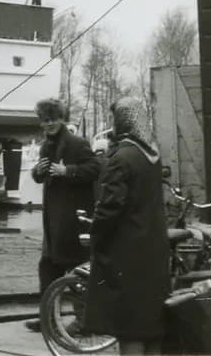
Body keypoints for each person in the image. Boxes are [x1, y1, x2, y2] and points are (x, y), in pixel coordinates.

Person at [84, 97, 170, 354]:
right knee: (152, 326)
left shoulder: (122, 158)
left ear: (122, 122)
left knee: (129, 327)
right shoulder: (152, 157)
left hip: (127, 254)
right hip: (154, 250)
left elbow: (110, 208)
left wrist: (95, 235)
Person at [24, 97, 100, 332]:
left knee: (77, 269)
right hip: (53, 221)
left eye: (53, 119)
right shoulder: (47, 146)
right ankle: (48, 317)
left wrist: (68, 170)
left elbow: (95, 169)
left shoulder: (77, 143)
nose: (49, 124)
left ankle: (84, 321)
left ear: (62, 119)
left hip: (73, 219)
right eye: (44, 120)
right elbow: (43, 176)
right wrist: (37, 172)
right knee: (48, 268)